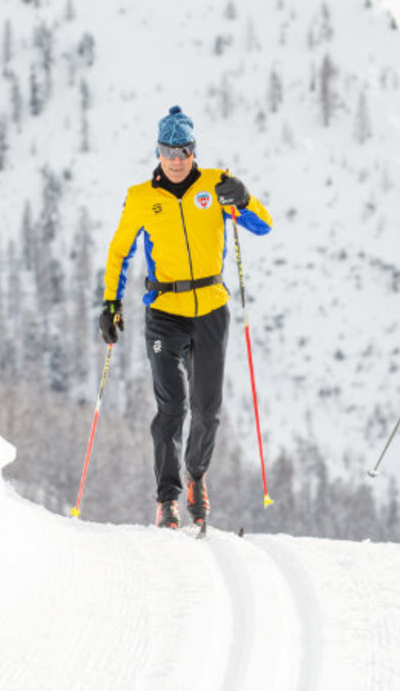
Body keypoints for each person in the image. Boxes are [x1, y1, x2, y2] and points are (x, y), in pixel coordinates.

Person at [99, 105, 272, 530]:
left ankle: (196, 474)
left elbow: (262, 226)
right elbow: (120, 252)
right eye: (168, 152)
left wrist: (244, 198)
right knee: (172, 407)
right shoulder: (142, 198)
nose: (176, 160)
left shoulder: (215, 185)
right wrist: (111, 304)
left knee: (207, 409)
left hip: (211, 309)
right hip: (165, 312)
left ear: (194, 151)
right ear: (157, 152)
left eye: (184, 152)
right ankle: (167, 498)